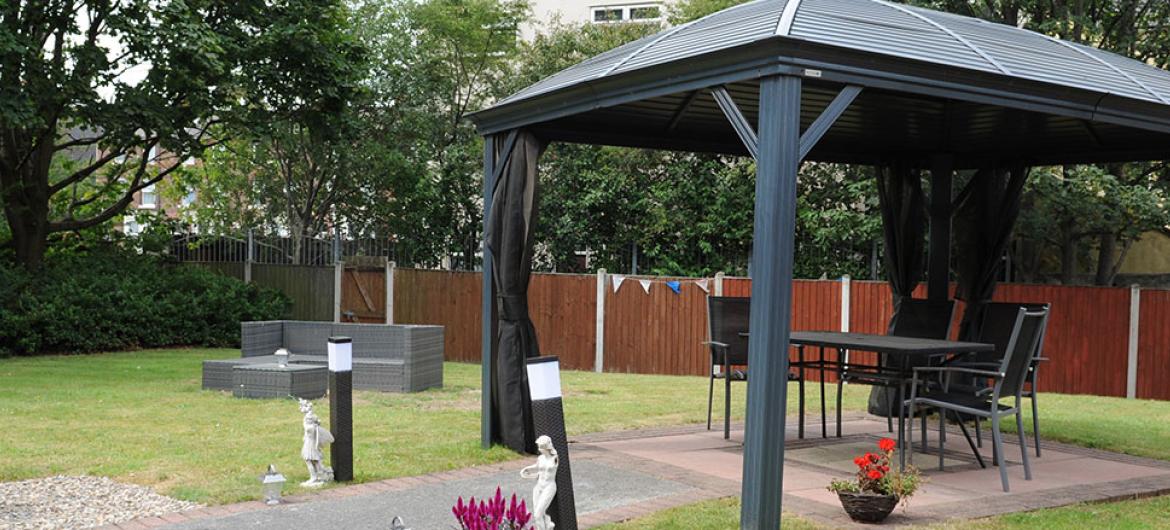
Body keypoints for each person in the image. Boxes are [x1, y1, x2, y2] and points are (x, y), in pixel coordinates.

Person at [520, 435, 558, 530]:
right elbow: (537, 467)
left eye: (541, 446)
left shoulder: (554, 458)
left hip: (549, 486)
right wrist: (526, 469)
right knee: (538, 513)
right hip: (538, 486)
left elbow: (550, 465)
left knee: (538, 514)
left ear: (547, 446)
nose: (539, 449)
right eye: (539, 446)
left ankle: (548, 525)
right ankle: (547, 525)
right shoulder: (541, 458)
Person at [299, 399, 334, 486]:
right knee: (315, 460)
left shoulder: (308, 418)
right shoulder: (311, 417)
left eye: (302, 406)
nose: (300, 408)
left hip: (310, 443)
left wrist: (306, 426)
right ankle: (319, 475)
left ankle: (314, 477)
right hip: (310, 442)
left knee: (309, 460)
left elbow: (308, 429)